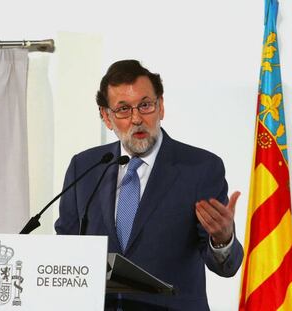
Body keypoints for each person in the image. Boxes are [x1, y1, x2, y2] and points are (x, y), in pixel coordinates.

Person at [55, 60, 243, 311]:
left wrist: (222, 239)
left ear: (161, 106)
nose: (136, 119)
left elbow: (224, 266)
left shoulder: (200, 167)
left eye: (145, 105)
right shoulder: (86, 167)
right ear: (106, 116)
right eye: (123, 109)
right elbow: (66, 247)